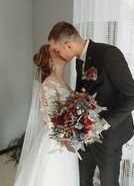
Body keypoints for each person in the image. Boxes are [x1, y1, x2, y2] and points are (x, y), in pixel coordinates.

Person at [48, 21, 134, 186]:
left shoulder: (109, 54)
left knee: (109, 183)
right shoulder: (79, 60)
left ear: (68, 45)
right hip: (85, 136)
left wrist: (104, 123)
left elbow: (132, 95)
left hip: (110, 136)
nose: (57, 54)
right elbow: (82, 94)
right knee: (83, 181)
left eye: (57, 50)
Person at [13, 44, 79, 186]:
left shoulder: (63, 81)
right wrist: (68, 128)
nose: (62, 53)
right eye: (57, 53)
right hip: (56, 138)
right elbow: (49, 118)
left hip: (67, 136)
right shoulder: (48, 83)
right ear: (51, 61)